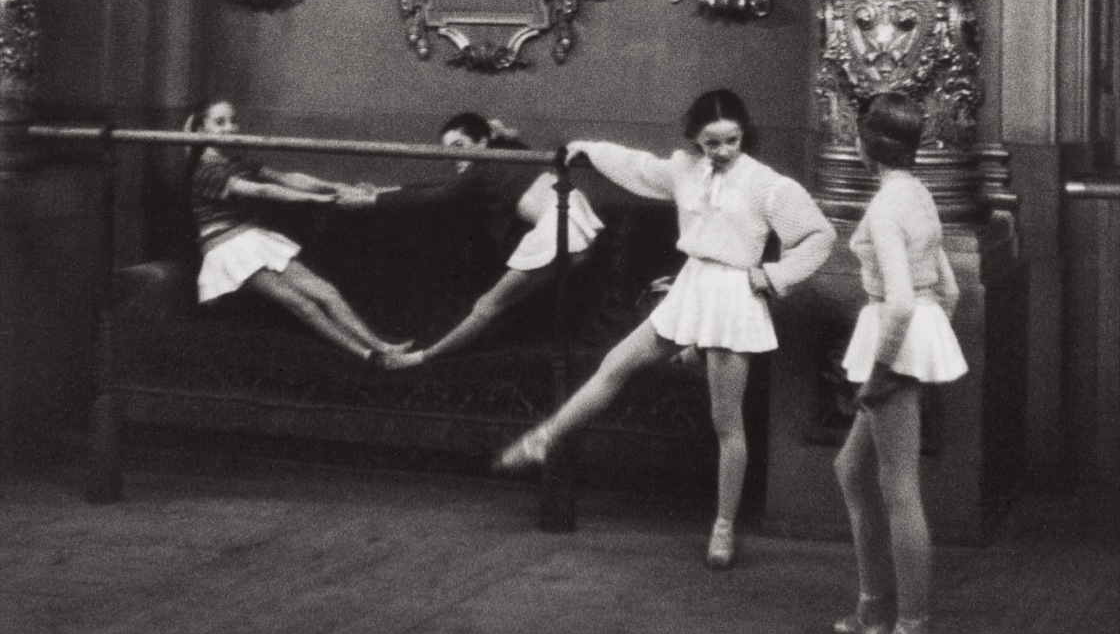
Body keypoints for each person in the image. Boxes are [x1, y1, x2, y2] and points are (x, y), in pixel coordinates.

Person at [495, 90, 836, 569]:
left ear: (744, 135)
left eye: (732, 140)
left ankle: (722, 526)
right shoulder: (684, 170)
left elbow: (820, 236)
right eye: (711, 142)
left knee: (726, 420)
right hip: (691, 286)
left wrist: (775, 275)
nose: (722, 151)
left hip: (733, 297)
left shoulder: (769, 185)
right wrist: (586, 148)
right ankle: (547, 436)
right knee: (615, 364)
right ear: (695, 139)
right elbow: (636, 166)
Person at [832, 91, 967, 634]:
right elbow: (950, 290)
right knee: (850, 470)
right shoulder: (919, 193)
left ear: (866, 148)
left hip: (894, 339)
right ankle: (873, 610)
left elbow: (902, 304)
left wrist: (889, 370)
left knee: (898, 488)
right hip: (912, 338)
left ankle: (912, 631)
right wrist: (925, 351)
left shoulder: (887, 209)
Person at [187, 101, 411, 363]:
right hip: (226, 247)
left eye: (232, 120)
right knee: (300, 303)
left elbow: (287, 178)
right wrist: (313, 200)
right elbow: (263, 191)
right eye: (220, 122)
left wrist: (334, 186)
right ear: (202, 128)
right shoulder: (205, 169)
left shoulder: (236, 160)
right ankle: (368, 355)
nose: (230, 128)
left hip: (250, 237)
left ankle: (383, 346)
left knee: (326, 291)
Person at [381, 112, 603, 368]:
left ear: (483, 143)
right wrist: (384, 191)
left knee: (488, 305)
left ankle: (418, 359)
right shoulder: (507, 159)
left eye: (459, 147)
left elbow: (434, 196)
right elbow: (433, 189)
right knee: (494, 304)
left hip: (563, 226)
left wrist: (371, 199)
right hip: (576, 221)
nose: (452, 157)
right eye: (448, 151)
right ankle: (420, 357)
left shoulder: (484, 169)